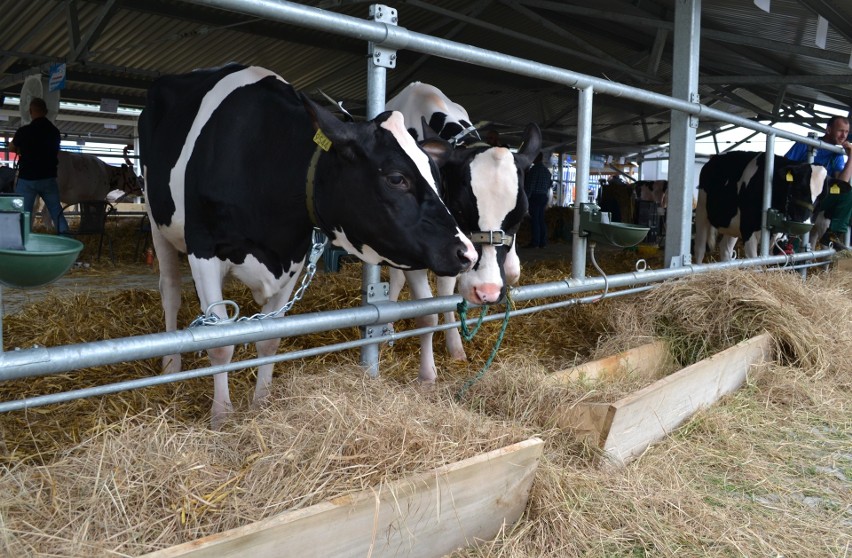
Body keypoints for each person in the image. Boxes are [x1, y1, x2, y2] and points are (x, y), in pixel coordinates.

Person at [784, 115, 852, 250]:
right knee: (795, 237)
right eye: (840, 130)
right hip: (800, 196)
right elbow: (785, 165)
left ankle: (832, 235)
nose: (844, 135)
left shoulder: (836, 153)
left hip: (820, 198)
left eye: (846, 132)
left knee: (848, 193)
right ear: (828, 130)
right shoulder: (805, 143)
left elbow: (842, 182)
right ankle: (790, 253)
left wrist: (851, 157)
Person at [10, 97, 68, 235]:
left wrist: (21, 149)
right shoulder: (54, 132)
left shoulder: (24, 131)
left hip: (27, 178)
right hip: (48, 178)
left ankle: (23, 242)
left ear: (30, 111)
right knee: (56, 210)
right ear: (46, 111)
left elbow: (12, 147)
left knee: (25, 213)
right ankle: (67, 239)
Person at [524, 152, 552, 248]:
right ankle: (542, 242)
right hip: (543, 196)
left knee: (535, 220)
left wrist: (525, 199)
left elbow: (530, 186)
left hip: (535, 197)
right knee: (541, 219)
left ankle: (535, 242)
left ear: (536, 158)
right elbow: (549, 185)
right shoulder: (547, 171)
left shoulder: (534, 170)